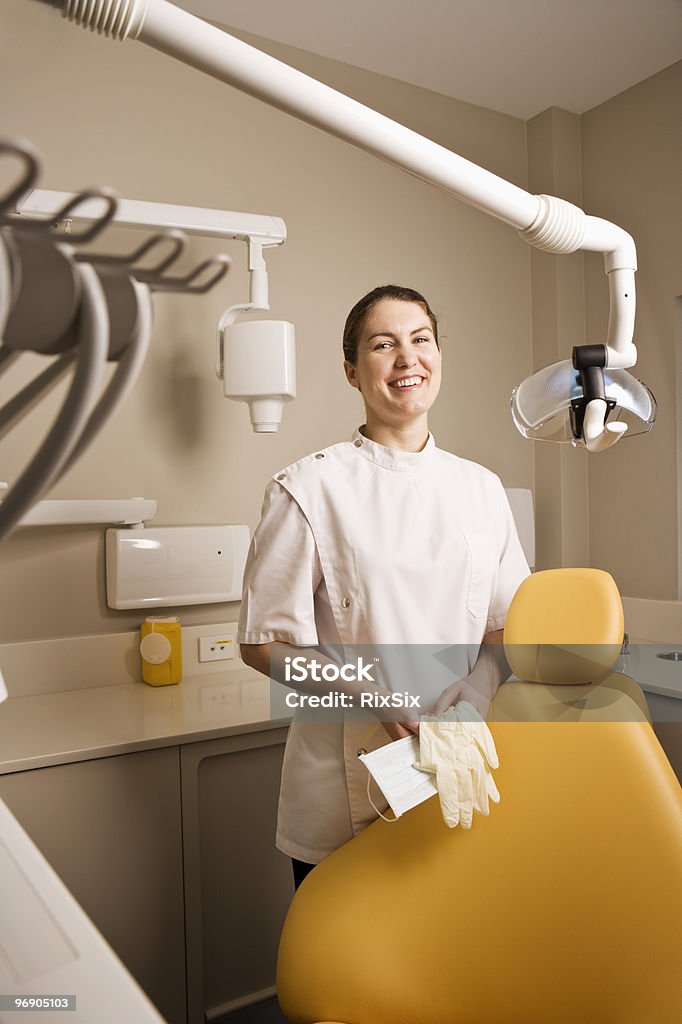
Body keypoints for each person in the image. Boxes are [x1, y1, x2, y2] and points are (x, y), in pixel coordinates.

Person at [238, 284, 530, 889]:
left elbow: (504, 625)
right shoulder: (308, 489)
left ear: (439, 356)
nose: (407, 359)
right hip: (343, 793)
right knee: (344, 975)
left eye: (421, 340)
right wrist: (368, 693)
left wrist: (480, 683)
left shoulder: (482, 489)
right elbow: (262, 645)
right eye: (383, 344)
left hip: (456, 770)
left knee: (455, 963)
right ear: (352, 370)